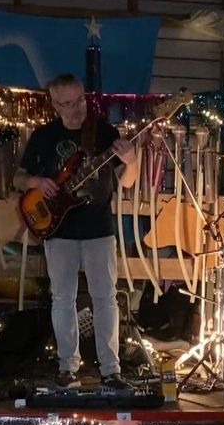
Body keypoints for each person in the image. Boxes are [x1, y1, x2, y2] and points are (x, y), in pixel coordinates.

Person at [14, 74, 140, 390]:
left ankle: (111, 369)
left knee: (105, 298)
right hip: (58, 228)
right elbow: (17, 178)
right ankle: (67, 366)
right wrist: (35, 182)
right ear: (54, 104)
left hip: (98, 226)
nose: (75, 109)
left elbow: (127, 181)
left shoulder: (104, 133)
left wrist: (131, 160)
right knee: (63, 298)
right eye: (67, 104)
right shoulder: (44, 136)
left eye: (79, 101)